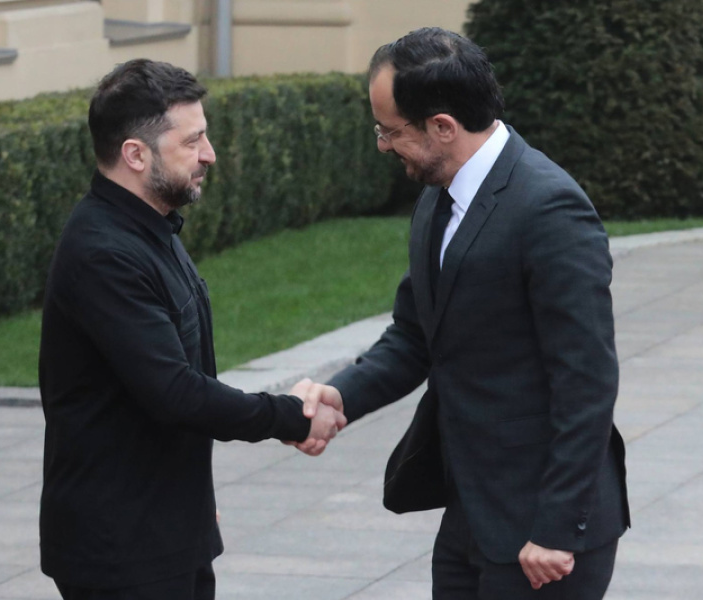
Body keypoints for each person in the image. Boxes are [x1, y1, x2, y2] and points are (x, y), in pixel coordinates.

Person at [297, 28, 630, 599]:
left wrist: (556, 528)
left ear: (443, 127)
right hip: (471, 511)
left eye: (390, 131)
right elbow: (416, 335)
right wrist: (341, 395)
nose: (382, 145)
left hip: (543, 536)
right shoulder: (439, 196)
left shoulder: (549, 209)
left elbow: (587, 381)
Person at [38, 59, 344, 600]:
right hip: (122, 549)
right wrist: (290, 415)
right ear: (136, 154)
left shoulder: (150, 228)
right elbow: (175, 391)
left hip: (165, 528)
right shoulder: (104, 252)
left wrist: (191, 501)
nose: (210, 154)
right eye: (193, 141)